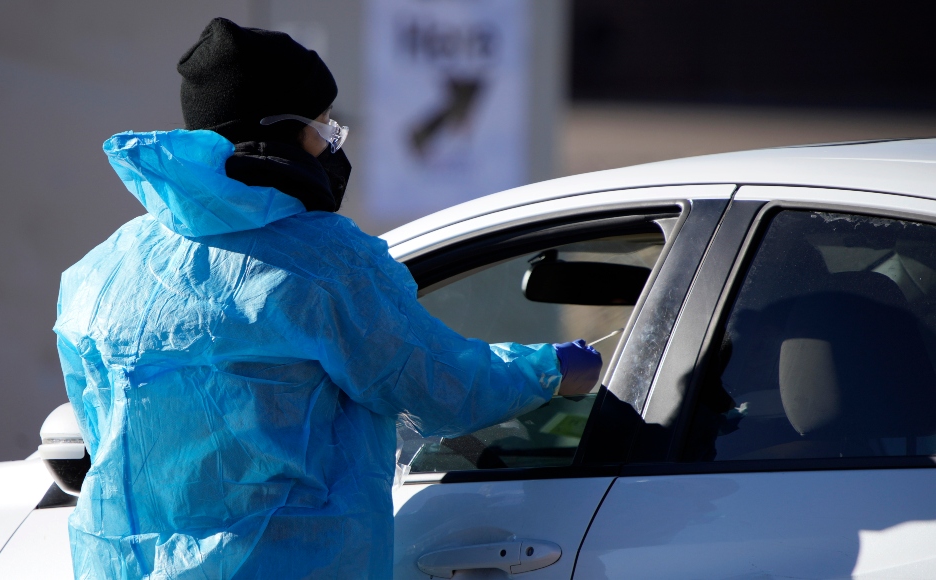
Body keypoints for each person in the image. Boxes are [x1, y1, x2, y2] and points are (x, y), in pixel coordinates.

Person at [54, 17, 601, 580]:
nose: (331, 145)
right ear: (278, 130)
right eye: (323, 128)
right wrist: (549, 370)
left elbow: (100, 428)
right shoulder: (327, 262)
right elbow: (435, 385)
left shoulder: (100, 272)